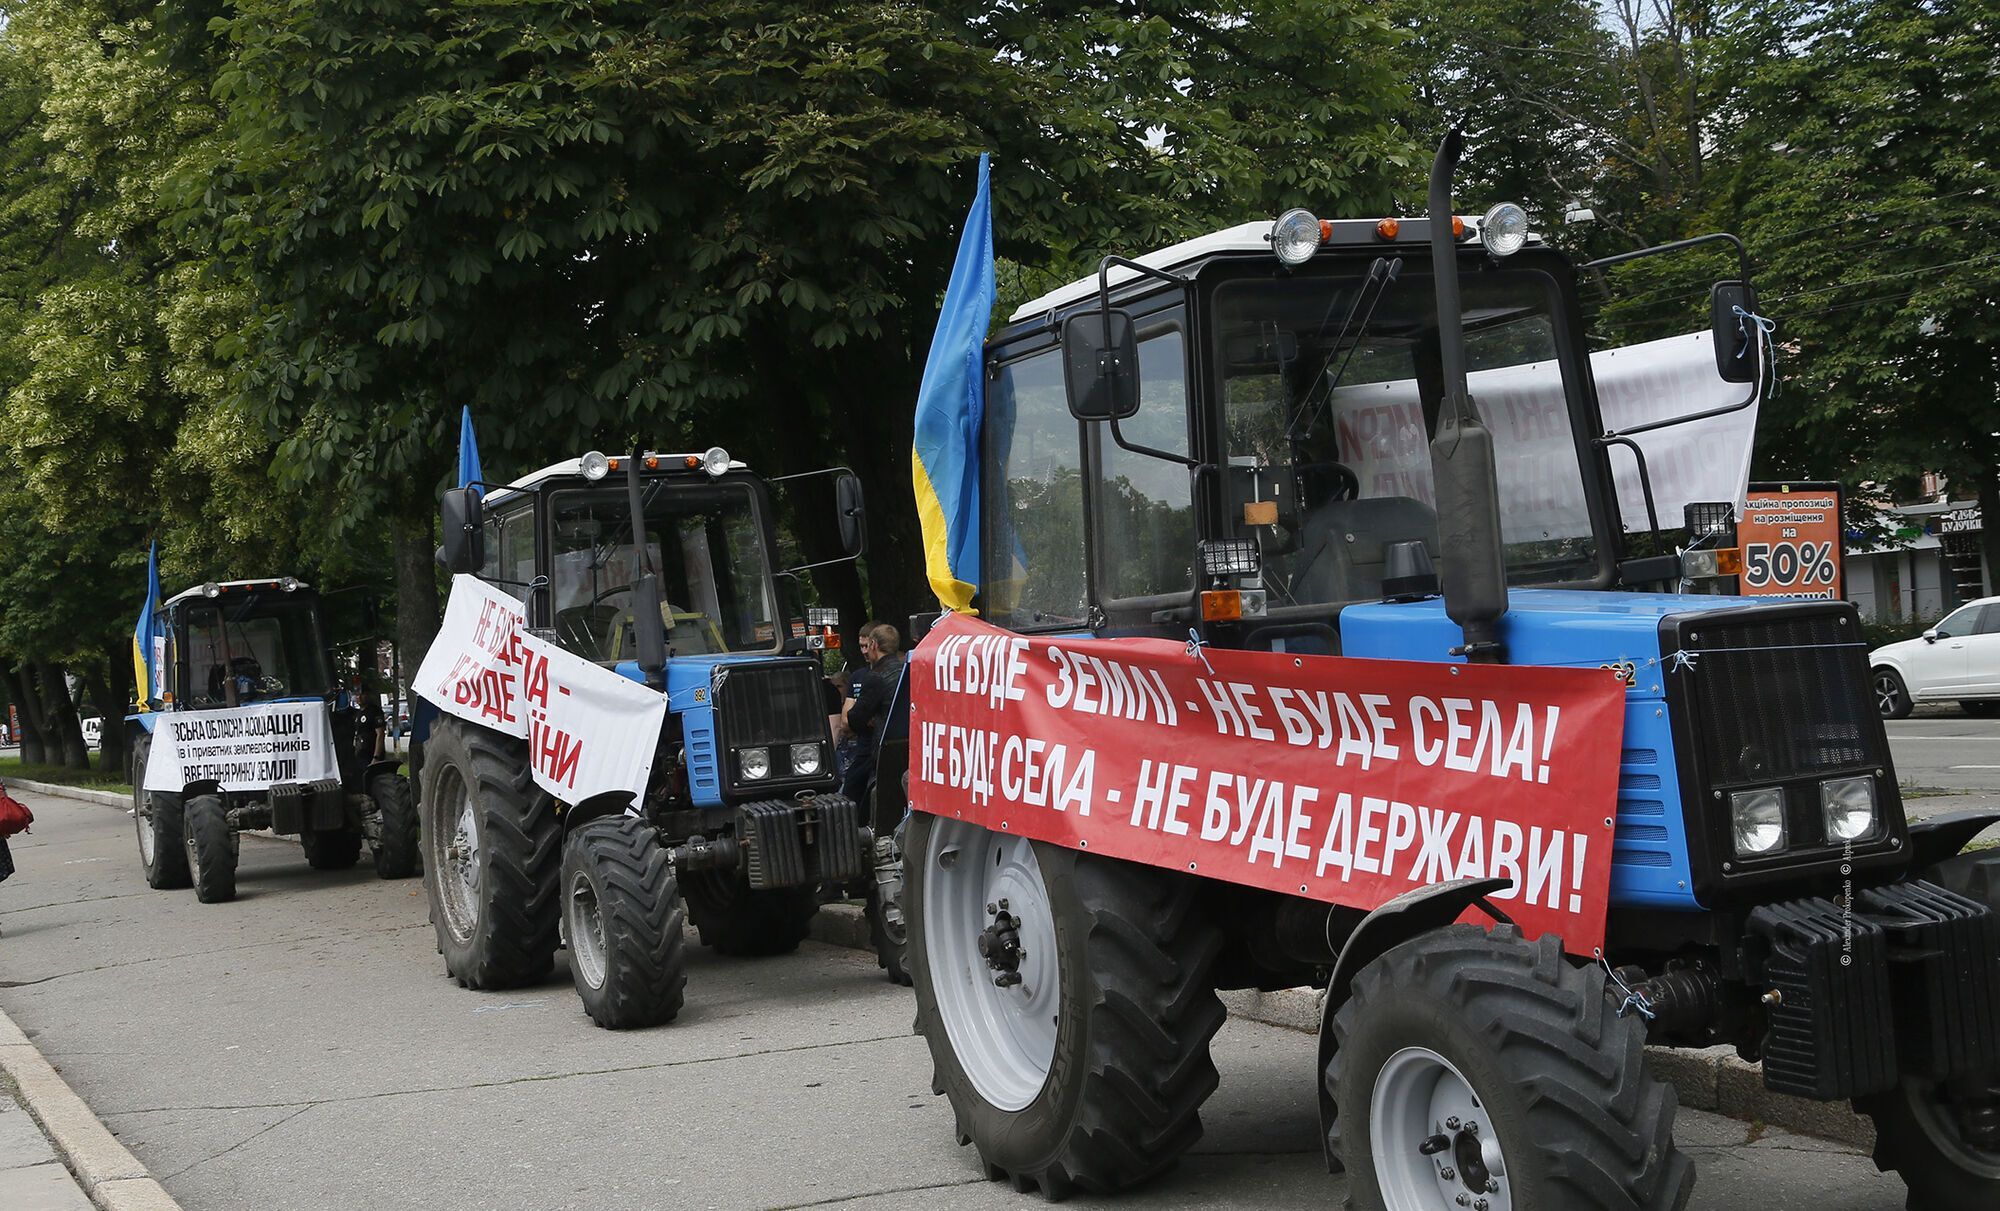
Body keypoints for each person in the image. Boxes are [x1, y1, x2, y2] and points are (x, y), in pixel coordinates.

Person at [840, 621, 906, 803]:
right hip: (907, 746)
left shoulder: (875, 676)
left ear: (874, 645)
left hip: (881, 748)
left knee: (852, 791)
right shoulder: (906, 670)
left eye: (867, 646)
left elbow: (854, 719)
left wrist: (869, 718)